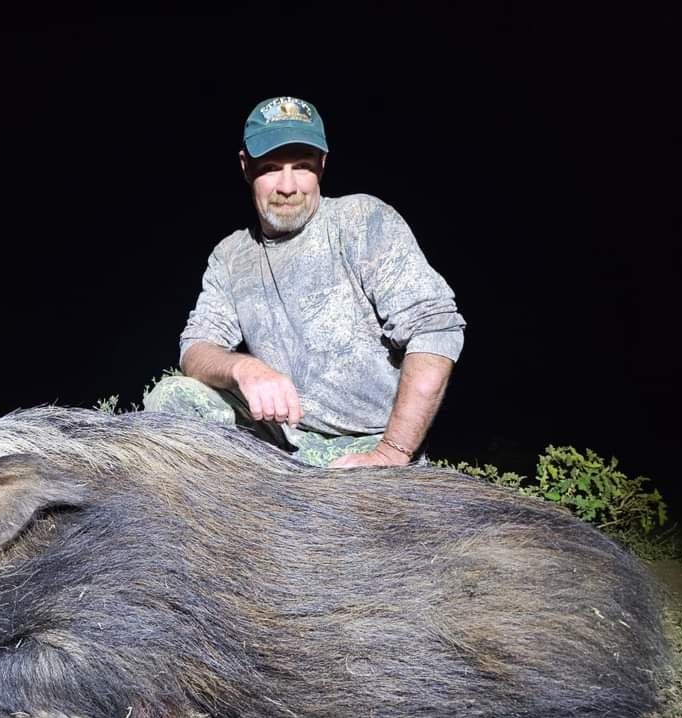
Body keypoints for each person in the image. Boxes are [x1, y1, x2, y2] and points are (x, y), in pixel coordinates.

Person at [144, 96, 466, 467]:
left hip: (368, 446)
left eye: (301, 166)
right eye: (270, 168)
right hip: (281, 439)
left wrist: (392, 452)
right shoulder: (231, 254)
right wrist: (244, 368)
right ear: (246, 168)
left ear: (322, 166)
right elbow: (196, 347)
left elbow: (436, 327)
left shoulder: (362, 220)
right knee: (172, 398)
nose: (287, 186)